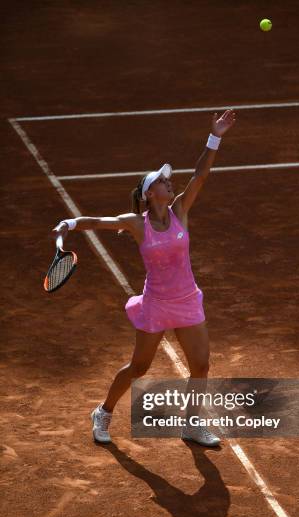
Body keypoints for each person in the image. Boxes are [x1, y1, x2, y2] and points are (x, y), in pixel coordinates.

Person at [51, 109, 236, 446]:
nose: (170, 183)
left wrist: (215, 137)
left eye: (169, 182)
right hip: (156, 304)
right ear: (151, 193)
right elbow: (99, 221)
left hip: (186, 301)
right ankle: (103, 412)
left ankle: (192, 425)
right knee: (139, 368)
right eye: (163, 182)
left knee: (201, 365)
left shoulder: (180, 210)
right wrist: (70, 224)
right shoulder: (139, 224)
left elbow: (201, 176)